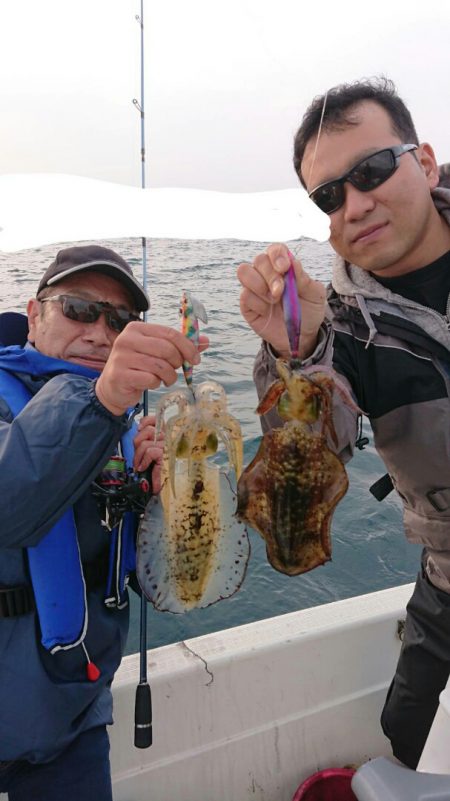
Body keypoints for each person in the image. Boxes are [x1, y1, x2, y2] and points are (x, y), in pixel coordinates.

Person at [237, 77, 450, 769]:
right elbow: (307, 459)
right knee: (409, 741)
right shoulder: (342, 330)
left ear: (424, 162)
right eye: (329, 196)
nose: (353, 205)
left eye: (372, 170)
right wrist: (294, 354)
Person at [0, 244, 208, 800]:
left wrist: (163, 502)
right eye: (78, 309)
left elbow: (165, 585)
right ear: (33, 314)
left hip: (69, 724)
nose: (98, 333)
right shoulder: (102, 404)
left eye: (118, 320)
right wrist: (103, 397)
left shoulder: (122, 426)